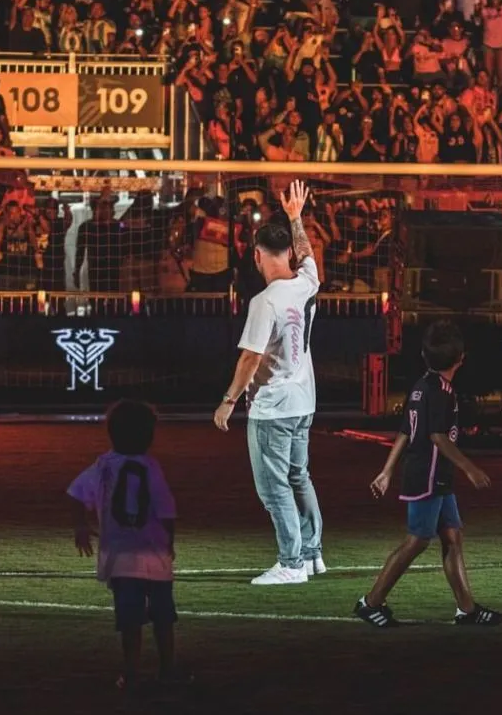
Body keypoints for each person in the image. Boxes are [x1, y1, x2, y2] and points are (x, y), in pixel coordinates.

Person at [354, 320, 502, 628]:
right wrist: (470, 468)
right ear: (461, 358)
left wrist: (386, 471)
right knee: (417, 541)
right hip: (428, 476)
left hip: (435, 476)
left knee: (452, 536)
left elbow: (405, 431)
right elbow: (437, 437)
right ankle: (370, 603)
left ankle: (467, 610)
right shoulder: (442, 393)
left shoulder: (422, 385)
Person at [213, 180, 324, 585]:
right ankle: (312, 554)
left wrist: (228, 400)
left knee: (274, 487)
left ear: (258, 255)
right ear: (290, 253)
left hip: (274, 406)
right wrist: (296, 218)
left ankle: (291, 563)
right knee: (299, 477)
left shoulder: (266, 301)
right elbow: (309, 255)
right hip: (304, 401)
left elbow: (250, 357)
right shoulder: (306, 282)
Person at [68, 400, 187, 691]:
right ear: (149, 435)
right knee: (162, 617)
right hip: (153, 554)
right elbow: (165, 508)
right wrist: (169, 540)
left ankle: (132, 673)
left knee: (129, 619)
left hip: (120, 557)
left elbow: (74, 493)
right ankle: (167, 669)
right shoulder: (150, 466)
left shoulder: (104, 465)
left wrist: (81, 525)